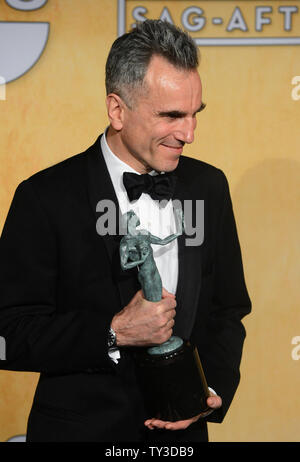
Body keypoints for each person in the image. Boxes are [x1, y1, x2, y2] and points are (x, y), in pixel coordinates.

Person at [0, 20, 251, 442]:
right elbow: (7, 331)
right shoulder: (45, 196)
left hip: (181, 441)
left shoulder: (209, 186)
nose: (189, 134)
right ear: (117, 110)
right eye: (171, 115)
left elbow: (228, 310)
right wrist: (113, 331)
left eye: (194, 114)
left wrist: (208, 390)